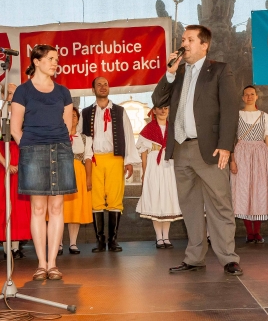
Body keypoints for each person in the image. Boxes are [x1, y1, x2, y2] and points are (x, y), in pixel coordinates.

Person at [152, 24, 243, 276]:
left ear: (204, 45)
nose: (184, 44)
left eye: (190, 40)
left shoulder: (219, 70)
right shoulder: (178, 73)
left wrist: (225, 146)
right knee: (190, 206)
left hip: (211, 148)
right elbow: (158, 100)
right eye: (183, 39)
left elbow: (230, 110)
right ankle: (194, 258)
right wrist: (170, 73)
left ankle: (228, 258)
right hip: (181, 148)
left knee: (219, 204)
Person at [10, 44, 77, 281]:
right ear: (36, 62)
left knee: (57, 208)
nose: (55, 63)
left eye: (56, 59)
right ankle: (41, 264)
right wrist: (30, 148)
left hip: (60, 149)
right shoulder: (23, 91)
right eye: (50, 58)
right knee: (38, 208)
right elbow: (15, 129)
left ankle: (53, 264)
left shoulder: (63, 92)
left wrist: (57, 144)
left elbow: (67, 125)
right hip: (33, 150)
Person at [80, 76, 140, 253]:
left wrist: (129, 161)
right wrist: (84, 161)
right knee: (95, 199)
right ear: (93, 90)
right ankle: (100, 240)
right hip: (95, 160)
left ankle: (113, 240)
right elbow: (83, 138)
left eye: (105, 84)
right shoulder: (86, 113)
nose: (103, 87)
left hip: (115, 159)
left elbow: (128, 135)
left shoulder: (119, 111)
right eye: (99, 85)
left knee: (115, 198)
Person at [230, 85, 268, 243]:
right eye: (246, 94)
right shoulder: (236, 116)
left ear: (257, 96)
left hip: (260, 155)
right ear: (242, 98)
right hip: (242, 154)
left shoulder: (264, 116)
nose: (249, 97)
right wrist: (232, 160)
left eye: (252, 94)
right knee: (243, 190)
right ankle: (249, 232)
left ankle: (257, 232)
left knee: (259, 191)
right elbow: (231, 140)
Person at [0, 83, 31, 259]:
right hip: (1, 160)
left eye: (14, 93)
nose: (11, 96)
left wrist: (22, 163)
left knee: (20, 203)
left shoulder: (25, 115)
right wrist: (6, 163)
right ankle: (6, 246)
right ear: (2, 95)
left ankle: (16, 245)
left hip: (21, 157)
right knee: (3, 202)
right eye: (8, 93)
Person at [136, 104, 183, 249]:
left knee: (167, 199)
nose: (163, 111)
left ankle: (166, 237)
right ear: (154, 111)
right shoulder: (148, 129)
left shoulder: (172, 128)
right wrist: (145, 172)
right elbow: (144, 153)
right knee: (155, 199)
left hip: (168, 165)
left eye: (166, 108)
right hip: (154, 166)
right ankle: (158, 237)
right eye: (160, 108)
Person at [61, 107, 93, 255]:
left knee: (75, 209)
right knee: (59, 208)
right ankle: (58, 243)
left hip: (78, 174)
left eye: (75, 115)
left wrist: (88, 177)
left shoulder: (85, 138)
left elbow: (88, 159)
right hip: (62, 172)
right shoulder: (59, 136)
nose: (72, 118)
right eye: (70, 115)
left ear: (78, 119)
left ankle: (73, 243)